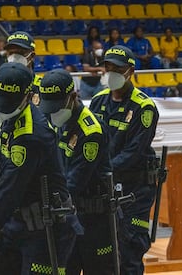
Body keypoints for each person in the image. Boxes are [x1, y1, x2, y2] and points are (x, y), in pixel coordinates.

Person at [0, 62, 80, 274]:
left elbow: (10, 190)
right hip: (18, 223)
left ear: (27, 96)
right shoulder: (10, 120)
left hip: (45, 229)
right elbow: (4, 177)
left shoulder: (31, 135)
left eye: (7, 104)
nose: (0, 110)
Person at [89, 45, 159, 274]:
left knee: (129, 248)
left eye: (116, 69)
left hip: (134, 190)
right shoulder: (98, 102)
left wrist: (101, 172)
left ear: (130, 71)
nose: (109, 73)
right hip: (103, 187)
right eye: (107, 67)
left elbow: (133, 153)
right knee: (103, 248)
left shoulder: (144, 107)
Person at [39, 69, 113, 275]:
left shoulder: (90, 132)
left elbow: (74, 181)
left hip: (93, 218)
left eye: (57, 107)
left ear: (73, 97)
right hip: (69, 215)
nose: (53, 112)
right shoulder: (60, 120)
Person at [0, 31, 41, 143]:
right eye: (11, 53)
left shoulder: (42, 86)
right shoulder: (0, 84)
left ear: (32, 56)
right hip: (5, 147)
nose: (15, 57)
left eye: (20, 53)